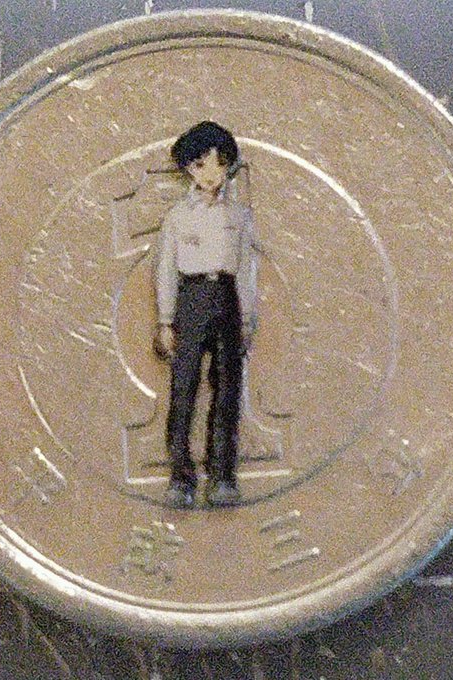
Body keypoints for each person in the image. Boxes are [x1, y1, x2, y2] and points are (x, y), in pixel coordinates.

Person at [154, 121, 258, 508]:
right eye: (199, 165)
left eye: (218, 164)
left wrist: (247, 318)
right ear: (188, 169)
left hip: (227, 298)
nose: (209, 174)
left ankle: (223, 476)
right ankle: (181, 478)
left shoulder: (240, 216)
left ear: (229, 165)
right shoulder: (178, 216)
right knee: (184, 388)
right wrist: (166, 320)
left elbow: (246, 269)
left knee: (228, 390)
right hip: (192, 298)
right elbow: (166, 268)